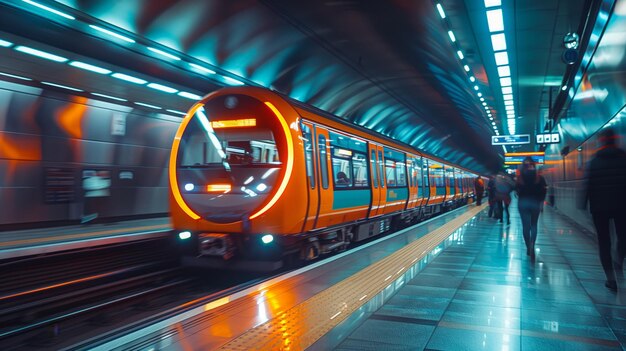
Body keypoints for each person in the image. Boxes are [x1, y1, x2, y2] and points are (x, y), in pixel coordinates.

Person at [581, 128, 626, 291]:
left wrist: (583, 204)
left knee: (604, 242)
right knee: (623, 237)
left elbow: (587, 186)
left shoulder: (594, 162)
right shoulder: (624, 159)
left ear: (601, 141)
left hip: (599, 208)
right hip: (622, 206)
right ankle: (619, 261)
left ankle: (610, 278)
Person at [516, 157, 547, 259]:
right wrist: (541, 202)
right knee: (534, 225)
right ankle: (533, 243)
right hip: (535, 203)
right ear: (534, 165)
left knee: (526, 226)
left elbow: (517, 190)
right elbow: (543, 190)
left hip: (523, 203)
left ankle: (528, 246)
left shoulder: (520, 176)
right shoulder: (539, 176)